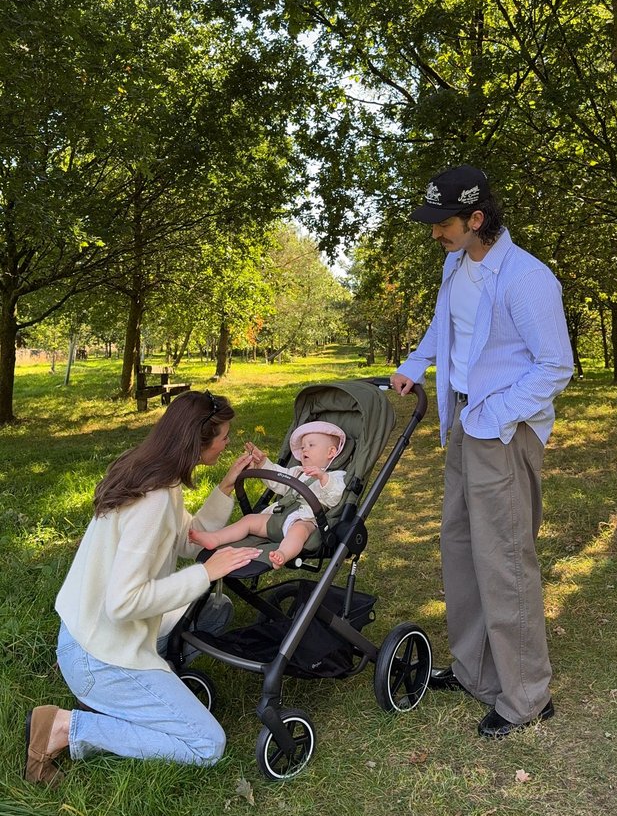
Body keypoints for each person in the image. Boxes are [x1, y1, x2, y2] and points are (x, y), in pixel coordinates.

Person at [391, 164, 573, 739]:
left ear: (476, 218)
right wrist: (414, 364)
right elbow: (445, 326)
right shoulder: (455, 265)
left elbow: (555, 366)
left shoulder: (527, 278)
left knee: (504, 557)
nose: (434, 234)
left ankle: (525, 698)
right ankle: (474, 671)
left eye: (442, 223)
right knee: (461, 545)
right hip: (465, 421)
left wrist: (493, 415)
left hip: (502, 427)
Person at [24, 390, 263, 786]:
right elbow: (124, 602)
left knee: (215, 612)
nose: (227, 443)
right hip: (100, 656)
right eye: (224, 436)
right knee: (206, 744)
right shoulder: (154, 500)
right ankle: (65, 728)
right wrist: (205, 575)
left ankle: (120, 702)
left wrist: (224, 488)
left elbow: (189, 541)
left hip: (88, 636)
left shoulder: (157, 480)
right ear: (197, 439)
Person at [190, 421, 347, 570]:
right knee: (249, 520)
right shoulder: (298, 472)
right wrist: (263, 463)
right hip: (279, 517)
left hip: (305, 520)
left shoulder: (335, 476)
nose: (304, 449)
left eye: (311, 445)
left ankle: (283, 553)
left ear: (330, 452)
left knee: (298, 532)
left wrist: (322, 478)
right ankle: (215, 538)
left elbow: (335, 497)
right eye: (303, 446)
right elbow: (280, 480)